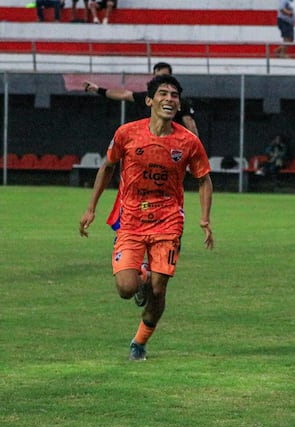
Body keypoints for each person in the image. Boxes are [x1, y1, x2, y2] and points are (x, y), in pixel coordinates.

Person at [79, 75, 214, 361]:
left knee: (159, 287)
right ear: (149, 100)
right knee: (127, 289)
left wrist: (204, 219)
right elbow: (107, 168)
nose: (169, 98)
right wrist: (91, 207)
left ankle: (139, 343)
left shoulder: (188, 142)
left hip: (168, 220)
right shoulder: (127, 133)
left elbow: (203, 179)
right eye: (163, 93)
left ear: (178, 104)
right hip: (131, 219)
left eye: (174, 95)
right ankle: (141, 272)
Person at [83, 62, 198, 137]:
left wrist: (195, 148)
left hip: (171, 143)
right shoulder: (145, 97)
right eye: (158, 77)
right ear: (149, 101)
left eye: (164, 77)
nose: (168, 99)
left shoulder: (180, 102)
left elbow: (190, 123)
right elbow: (124, 94)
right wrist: (99, 90)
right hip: (147, 141)